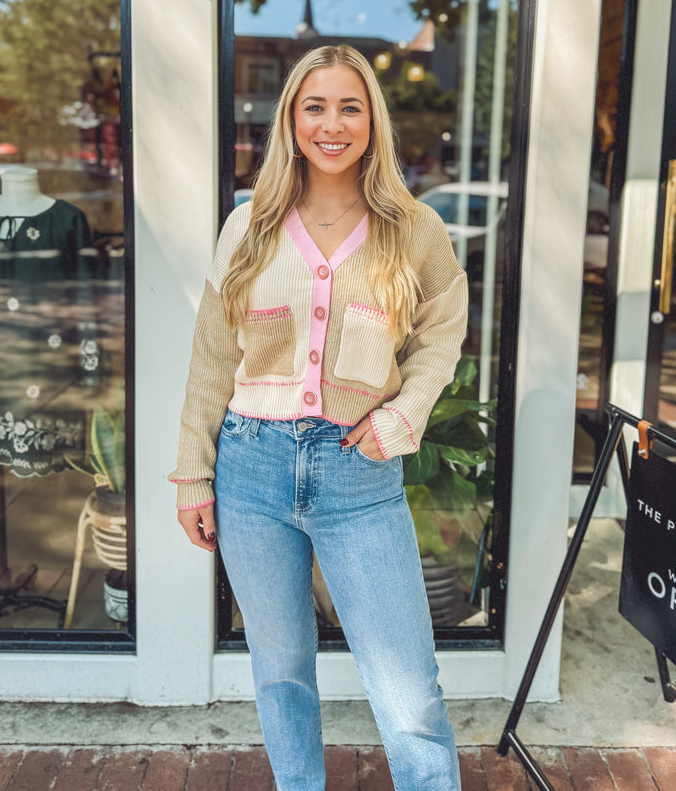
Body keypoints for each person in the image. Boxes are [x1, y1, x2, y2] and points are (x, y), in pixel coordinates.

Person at [170, 44, 468, 791]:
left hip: (359, 474)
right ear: (290, 120)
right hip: (250, 469)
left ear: (373, 119)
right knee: (280, 673)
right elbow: (211, 360)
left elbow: (441, 338)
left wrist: (403, 417)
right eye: (315, 106)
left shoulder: (415, 229)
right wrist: (191, 474)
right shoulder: (247, 227)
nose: (331, 124)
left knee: (407, 689)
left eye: (349, 106)